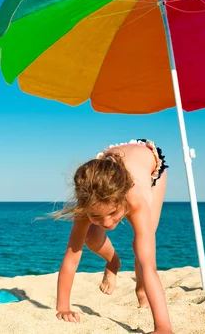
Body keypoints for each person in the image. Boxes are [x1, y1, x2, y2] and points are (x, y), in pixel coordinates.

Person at [54, 139, 173, 334]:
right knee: (91, 237)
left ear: (123, 200)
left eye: (113, 213)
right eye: (96, 216)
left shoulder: (136, 201)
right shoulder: (87, 202)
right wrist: (63, 307)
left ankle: (141, 290)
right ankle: (113, 262)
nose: (108, 223)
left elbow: (149, 266)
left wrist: (163, 327)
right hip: (109, 167)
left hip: (150, 163)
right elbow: (72, 256)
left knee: (143, 247)